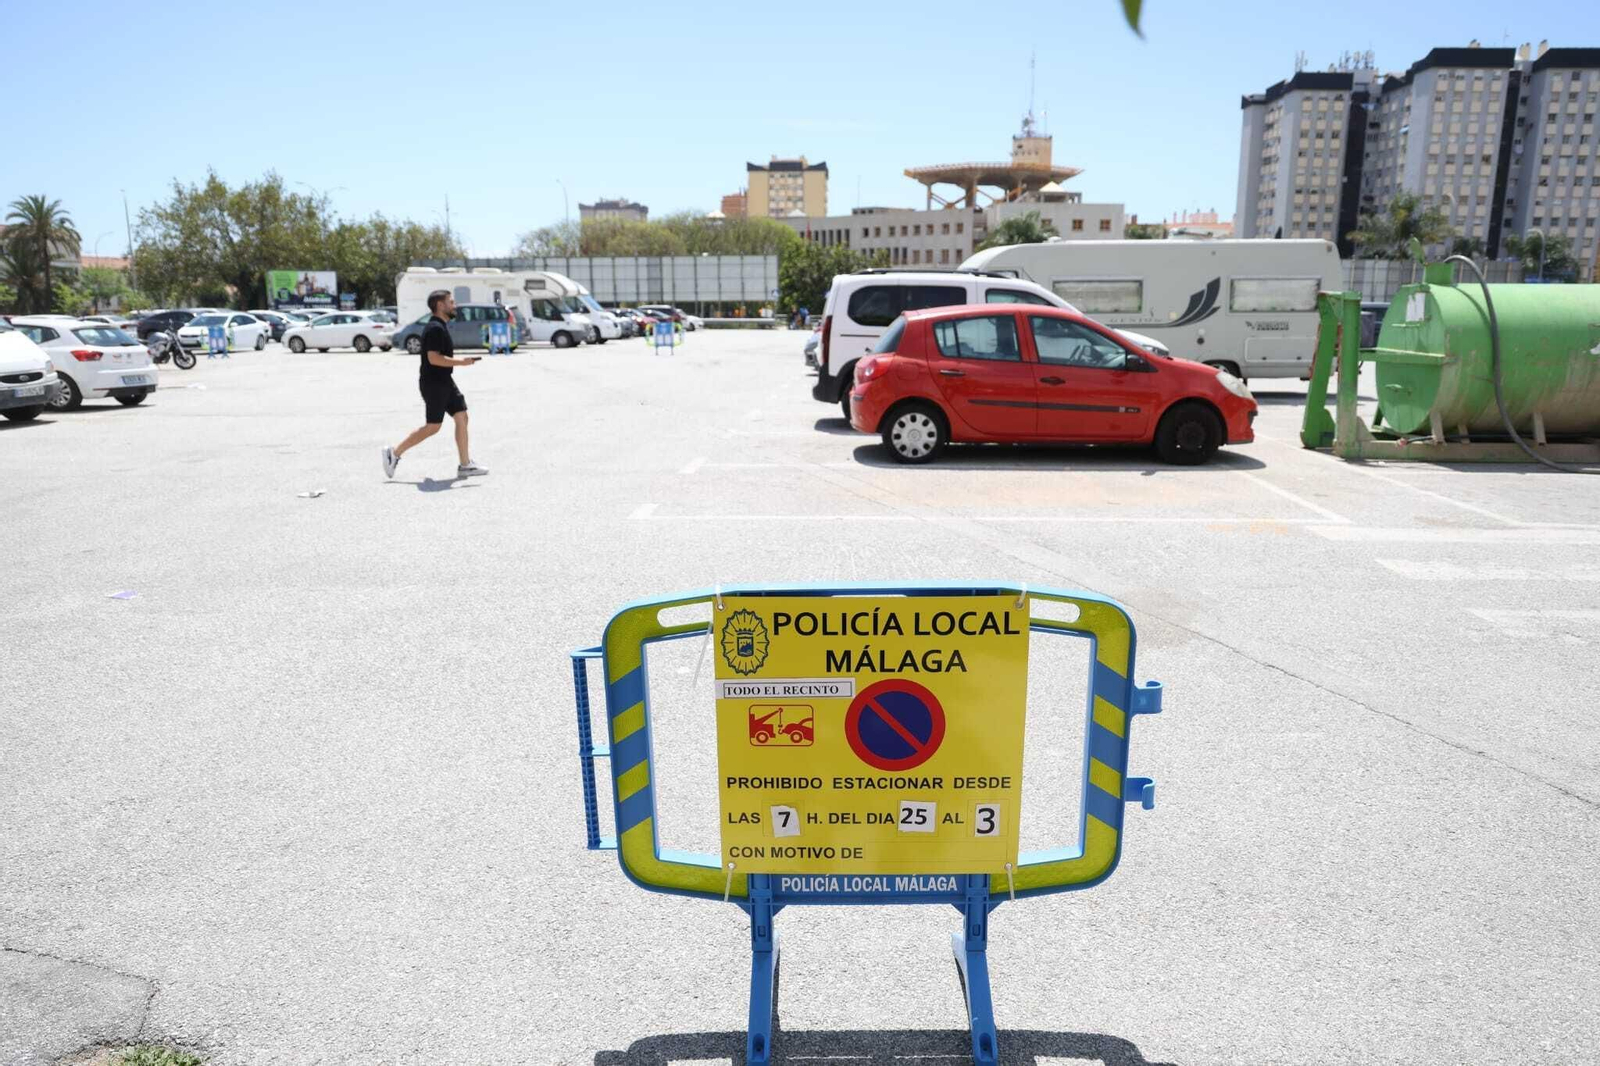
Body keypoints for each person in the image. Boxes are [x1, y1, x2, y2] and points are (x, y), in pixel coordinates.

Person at [381, 290, 487, 479]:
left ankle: (465, 464)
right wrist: (462, 362)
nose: (454, 306)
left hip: (445, 381)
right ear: (440, 305)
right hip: (434, 384)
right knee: (433, 427)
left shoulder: (440, 326)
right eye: (451, 302)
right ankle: (394, 453)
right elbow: (433, 358)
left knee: (461, 416)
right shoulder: (434, 328)